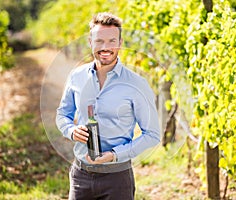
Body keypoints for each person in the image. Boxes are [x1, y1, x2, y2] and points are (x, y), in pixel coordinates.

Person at [56, 12, 160, 200]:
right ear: (90, 42)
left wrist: (114, 154)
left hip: (117, 179)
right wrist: (71, 131)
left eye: (111, 41)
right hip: (80, 175)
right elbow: (63, 113)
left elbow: (152, 134)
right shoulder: (76, 77)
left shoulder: (136, 84)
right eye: (99, 41)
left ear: (120, 43)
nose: (105, 47)